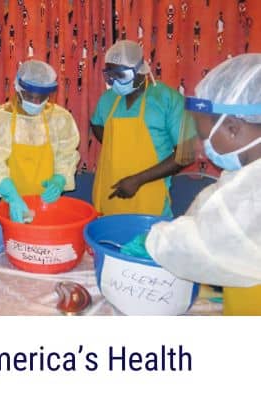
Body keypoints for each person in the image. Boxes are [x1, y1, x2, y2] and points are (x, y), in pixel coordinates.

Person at [145, 53, 261, 315]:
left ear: (232, 127)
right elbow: (210, 209)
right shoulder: (245, 176)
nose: (199, 147)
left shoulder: (253, 191)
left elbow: (199, 244)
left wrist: (151, 241)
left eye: (202, 134)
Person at [91, 40, 184, 216]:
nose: (115, 81)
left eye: (121, 75)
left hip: (150, 197)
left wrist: (138, 180)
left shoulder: (167, 99)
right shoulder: (108, 99)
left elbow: (185, 154)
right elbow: (96, 124)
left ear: (141, 70)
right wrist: (118, 146)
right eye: (110, 75)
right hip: (111, 194)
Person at [0, 60, 80, 223]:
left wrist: (60, 179)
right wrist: (11, 195)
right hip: (13, 204)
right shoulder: (0, 119)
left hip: (48, 205)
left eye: (41, 98)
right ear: (18, 89)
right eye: (30, 96)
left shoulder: (59, 118)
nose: (35, 102)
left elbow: (66, 156)